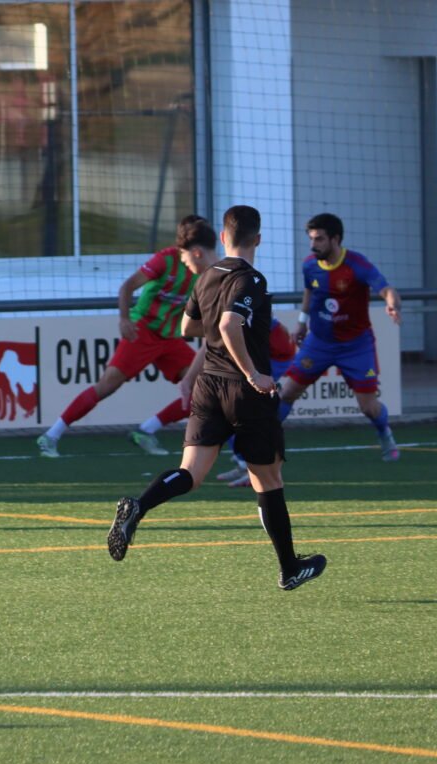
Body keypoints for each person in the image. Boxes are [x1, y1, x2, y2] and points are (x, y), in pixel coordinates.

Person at [108, 206, 326, 591]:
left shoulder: (207, 275)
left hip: (209, 386)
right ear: (258, 239)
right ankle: (289, 567)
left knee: (190, 474)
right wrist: (253, 372)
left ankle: (139, 506)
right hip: (246, 391)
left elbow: (188, 326)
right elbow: (228, 323)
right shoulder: (251, 279)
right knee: (268, 479)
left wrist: (219, 331)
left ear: (223, 238)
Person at [36, 215, 206, 459]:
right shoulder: (165, 260)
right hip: (142, 330)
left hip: (170, 337)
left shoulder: (204, 268)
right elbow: (127, 287)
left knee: (205, 387)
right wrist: (124, 319)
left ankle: (146, 431)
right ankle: (51, 435)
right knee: (107, 385)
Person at [278, 213, 402, 461]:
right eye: (311, 239)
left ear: (335, 239)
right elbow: (309, 293)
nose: (313, 245)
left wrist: (392, 304)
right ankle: (261, 445)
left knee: (368, 407)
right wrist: (301, 323)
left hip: (356, 346)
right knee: (287, 392)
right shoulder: (310, 265)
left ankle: (384, 433)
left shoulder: (357, 264)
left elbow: (386, 288)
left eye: (319, 239)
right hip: (319, 343)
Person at [214, 316, 296, 487]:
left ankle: (255, 470)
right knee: (227, 412)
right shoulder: (230, 312)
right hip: (264, 360)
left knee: (246, 416)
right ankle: (244, 464)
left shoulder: (242, 313)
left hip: (275, 362)